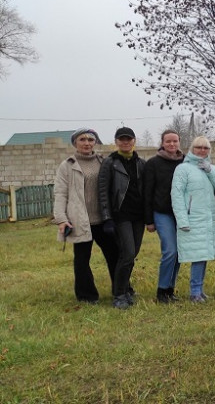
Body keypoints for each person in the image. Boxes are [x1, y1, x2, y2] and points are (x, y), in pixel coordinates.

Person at [52, 128, 119, 304]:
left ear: (95, 142)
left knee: (115, 256)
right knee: (82, 260)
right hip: (80, 221)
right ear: (75, 143)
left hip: (103, 221)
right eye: (82, 139)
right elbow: (60, 194)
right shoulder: (67, 165)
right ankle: (87, 296)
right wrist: (61, 219)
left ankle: (121, 290)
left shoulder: (104, 162)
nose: (87, 143)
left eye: (91, 139)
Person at [171, 136, 215, 302]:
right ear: (192, 149)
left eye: (205, 148)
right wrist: (182, 220)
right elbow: (177, 195)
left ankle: (199, 289)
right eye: (199, 147)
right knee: (197, 256)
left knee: (203, 255)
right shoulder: (183, 169)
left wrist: (210, 171)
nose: (202, 151)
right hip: (192, 219)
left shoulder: (210, 168)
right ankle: (194, 291)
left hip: (207, 219)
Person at [98, 127, 146, 310]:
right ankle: (119, 294)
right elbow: (103, 191)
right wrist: (107, 217)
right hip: (121, 216)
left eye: (129, 139)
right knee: (127, 255)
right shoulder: (110, 163)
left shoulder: (140, 163)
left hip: (138, 217)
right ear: (116, 141)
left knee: (132, 254)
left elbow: (145, 191)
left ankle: (126, 289)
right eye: (122, 139)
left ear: (134, 141)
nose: (125, 142)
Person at [143, 129, 184, 303]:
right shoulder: (153, 163)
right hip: (162, 213)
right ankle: (161, 291)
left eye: (175, 141)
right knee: (170, 251)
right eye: (168, 141)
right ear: (162, 142)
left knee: (180, 253)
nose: (172, 144)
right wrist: (149, 220)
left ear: (179, 142)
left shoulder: (185, 162)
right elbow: (147, 192)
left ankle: (170, 289)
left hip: (181, 214)